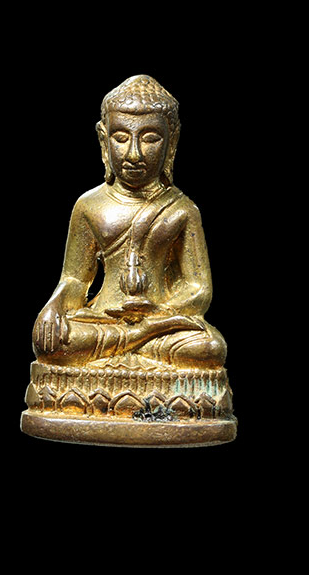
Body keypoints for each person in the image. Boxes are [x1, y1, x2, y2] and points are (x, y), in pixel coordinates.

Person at [32, 74, 226, 369]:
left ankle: (133, 339)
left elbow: (199, 288)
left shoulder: (182, 210)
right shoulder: (89, 205)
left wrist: (158, 311)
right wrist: (54, 306)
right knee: (52, 343)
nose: (134, 154)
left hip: (160, 322)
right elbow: (75, 279)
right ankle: (136, 339)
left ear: (171, 141)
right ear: (103, 139)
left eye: (150, 139)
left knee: (209, 348)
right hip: (103, 318)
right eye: (121, 138)